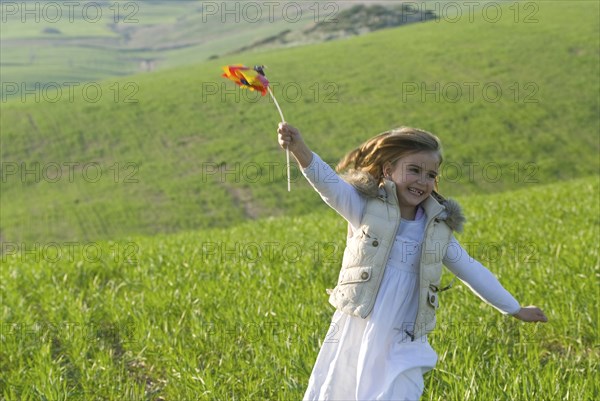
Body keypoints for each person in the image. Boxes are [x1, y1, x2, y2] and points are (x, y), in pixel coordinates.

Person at [277, 122, 548, 401]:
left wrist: (515, 309)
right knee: (346, 388)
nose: (423, 181)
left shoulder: (436, 231)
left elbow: (471, 270)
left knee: (401, 391)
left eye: (431, 174)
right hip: (361, 323)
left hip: (405, 336)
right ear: (388, 171)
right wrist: (299, 148)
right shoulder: (365, 210)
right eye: (414, 170)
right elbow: (328, 185)